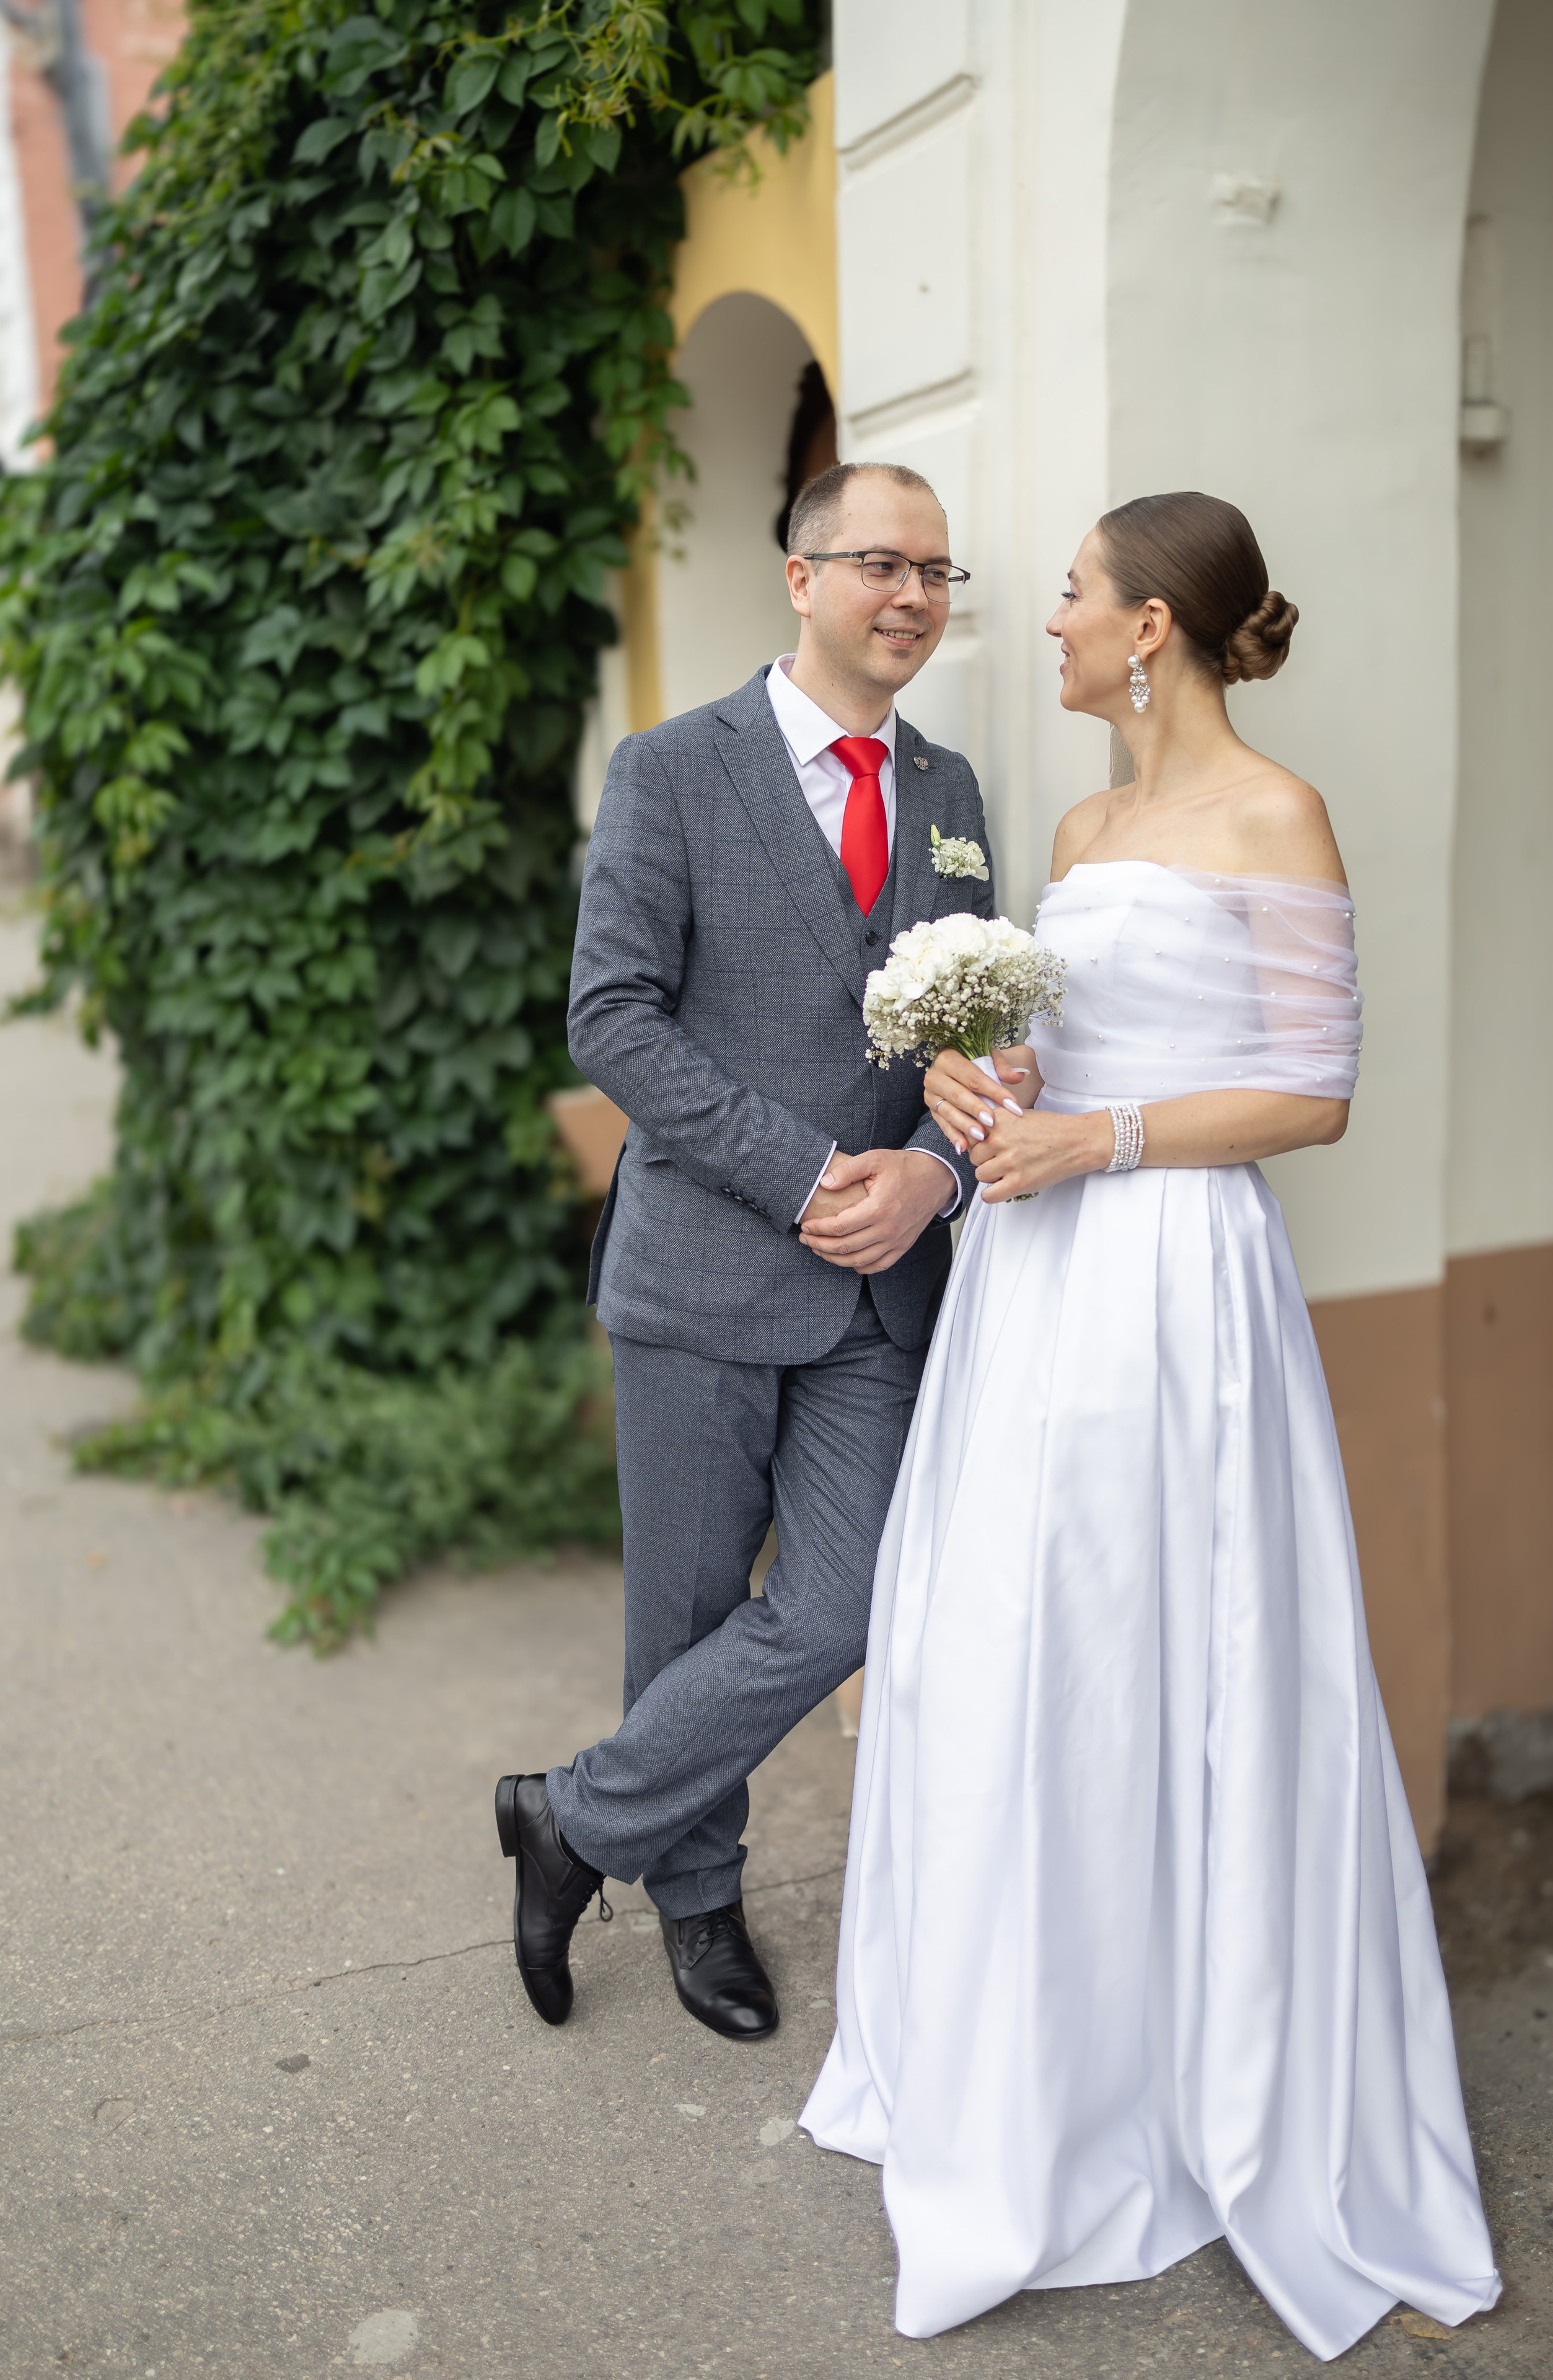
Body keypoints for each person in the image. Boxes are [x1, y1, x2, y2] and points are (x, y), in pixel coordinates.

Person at [800, 492, 1502, 2361]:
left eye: (1072, 602)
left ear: (1155, 633)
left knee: (1177, 1647)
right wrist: (997, 1076)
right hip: (1038, 1274)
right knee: (1025, 1650)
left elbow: (1312, 1094)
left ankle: (1207, 2077)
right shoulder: (1081, 826)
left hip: (1179, 1276)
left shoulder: (1279, 817)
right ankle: (1045, 2065)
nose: (1046, 627)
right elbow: (1079, 1044)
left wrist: (1098, 1135)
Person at [495, 461, 994, 2040]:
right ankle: (696, 1905)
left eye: (933, 571)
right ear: (798, 577)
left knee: (849, 1600)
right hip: (708, 1266)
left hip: (880, 1284)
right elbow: (610, 1017)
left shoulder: (952, 793)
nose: (909, 595)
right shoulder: (668, 770)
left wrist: (927, 1172)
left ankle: (572, 1822)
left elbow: (979, 1034)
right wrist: (800, 1172)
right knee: (691, 1611)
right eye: (877, 565)